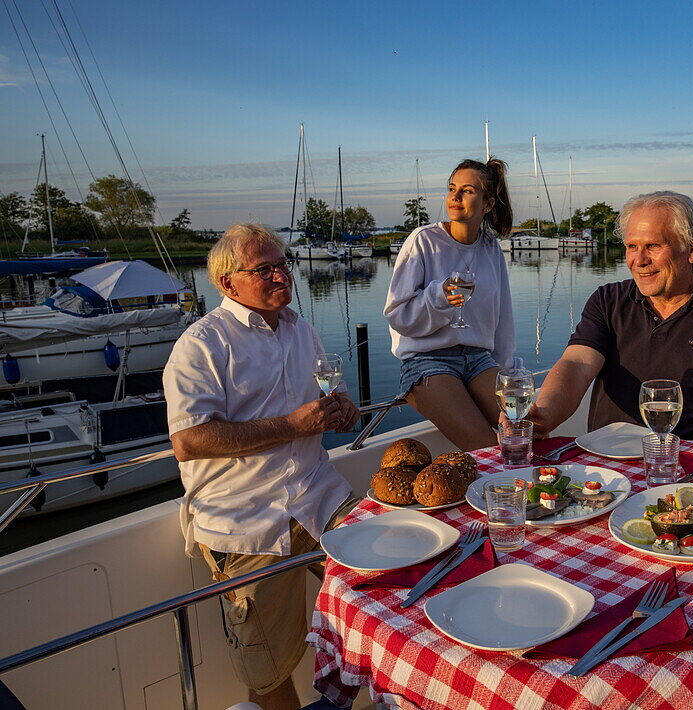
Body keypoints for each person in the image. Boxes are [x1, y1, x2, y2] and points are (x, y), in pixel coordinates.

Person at [163, 224, 360, 710]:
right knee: (268, 671)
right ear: (228, 283)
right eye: (265, 269)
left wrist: (338, 410)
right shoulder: (201, 344)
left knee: (394, 583)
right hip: (246, 521)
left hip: (320, 497)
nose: (281, 275)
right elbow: (189, 440)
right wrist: (292, 425)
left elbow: (313, 406)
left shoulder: (300, 329)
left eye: (282, 265)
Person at [530, 191, 693, 446]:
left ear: (692, 249)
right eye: (632, 246)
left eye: (653, 246)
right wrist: (544, 414)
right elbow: (576, 365)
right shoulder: (607, 301)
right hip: (602, 469)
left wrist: (664, 463)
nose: (638, 260)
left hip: (683, 475)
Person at [384, 157, 515, 450]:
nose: (455, 197)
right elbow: (397, 316)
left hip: (480, 360)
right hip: (428, 361)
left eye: (467, 191)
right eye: (452, 188)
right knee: (486, 446)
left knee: (521, 430)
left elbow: (502, 318)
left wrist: (505, 370)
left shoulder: (490, 248)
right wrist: (439, 296)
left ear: (488, 204)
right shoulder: (423, 241)